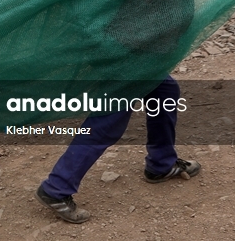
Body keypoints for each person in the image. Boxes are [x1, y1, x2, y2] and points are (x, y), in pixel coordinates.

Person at [34, 75, 200, 223]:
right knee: (108, 123)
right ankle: (57, 187)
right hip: (124, 57)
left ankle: (162, 164)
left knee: (164, 91)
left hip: (141, 58)